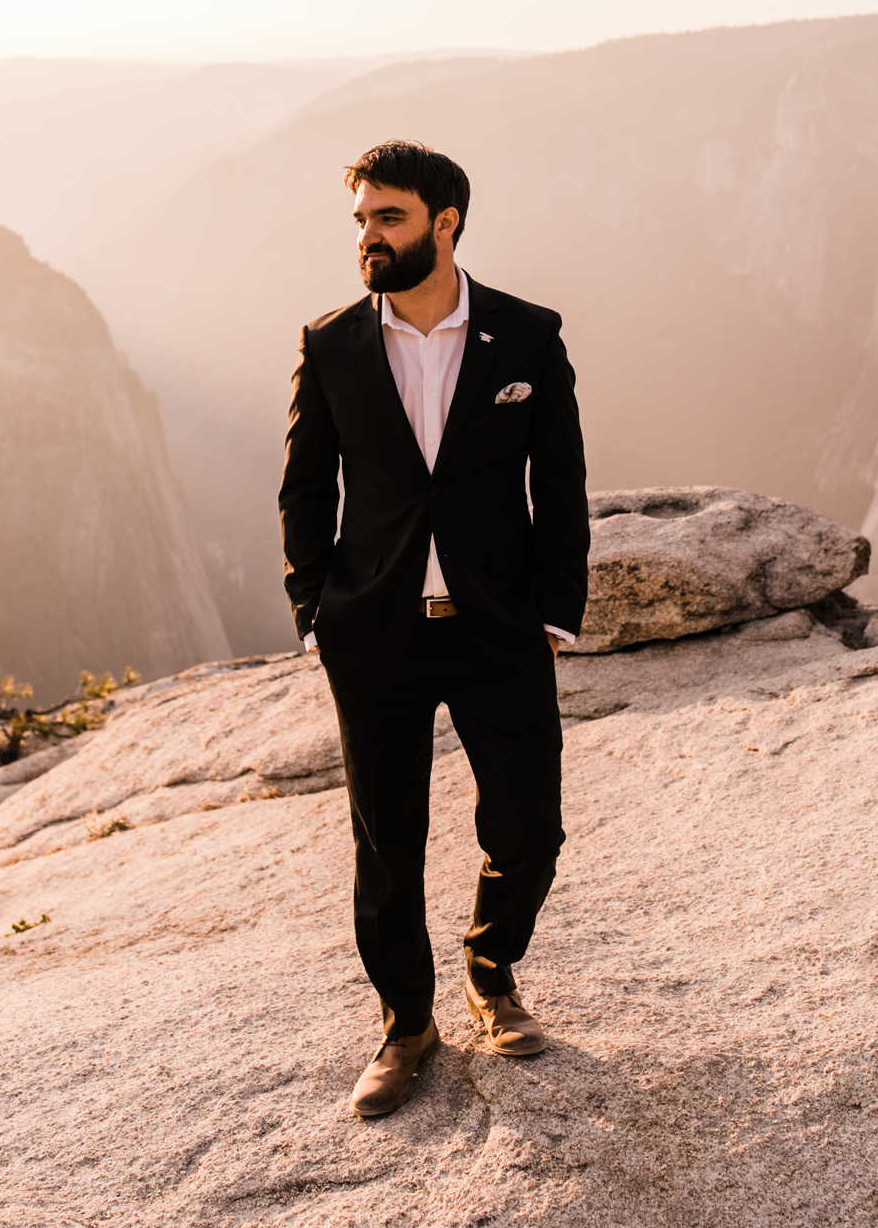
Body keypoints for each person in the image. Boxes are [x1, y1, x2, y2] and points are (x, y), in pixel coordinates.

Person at [278, 138, 590, 1119]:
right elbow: (303, 488)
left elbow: (563, 485)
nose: (367, 236)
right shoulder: (329, 343)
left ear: (443, 221)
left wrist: (551, 610)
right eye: (361, 219)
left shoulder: (526, 337)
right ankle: (406, 1021)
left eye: (388, 217)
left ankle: (489, 969)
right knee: (388, 842)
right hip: (375, 634)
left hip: (497, 626)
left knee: (529, 825)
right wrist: (314, 609)